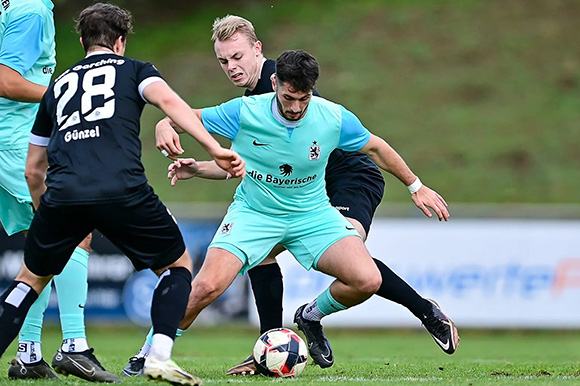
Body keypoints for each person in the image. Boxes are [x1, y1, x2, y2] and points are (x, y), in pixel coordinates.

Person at [122, 15, 459, 377]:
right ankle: (178, 351)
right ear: (274, 85)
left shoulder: (318, 106)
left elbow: (374, 148)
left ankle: (405, 312)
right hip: (265, 206)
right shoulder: (248, 107)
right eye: (223, 61)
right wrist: (170, 130)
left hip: (343, 178)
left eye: (237, 57)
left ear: (258, 50)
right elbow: (240, 161)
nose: (232, 68)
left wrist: (415, 185)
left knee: (362, 270)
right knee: (212, 283)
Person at [0, 3, 244, 385]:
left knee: (28, 281)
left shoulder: (59, 85)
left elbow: (34, 168)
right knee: (178, 266)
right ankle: (159, 355)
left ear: (81, 41)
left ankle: (25, 353)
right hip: (122, 188)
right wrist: (214, 148)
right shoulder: (135, 70)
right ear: (120, 42)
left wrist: (46, 213)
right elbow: (168, 102)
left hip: (63, 195)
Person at [0, 0, 119, 381]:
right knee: (75, 233)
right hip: (15, 145)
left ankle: (28, 354)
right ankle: (75, 347)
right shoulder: (31, 9)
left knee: (43, 247)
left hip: (10, 142)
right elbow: (6, 79)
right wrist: (62, 93)